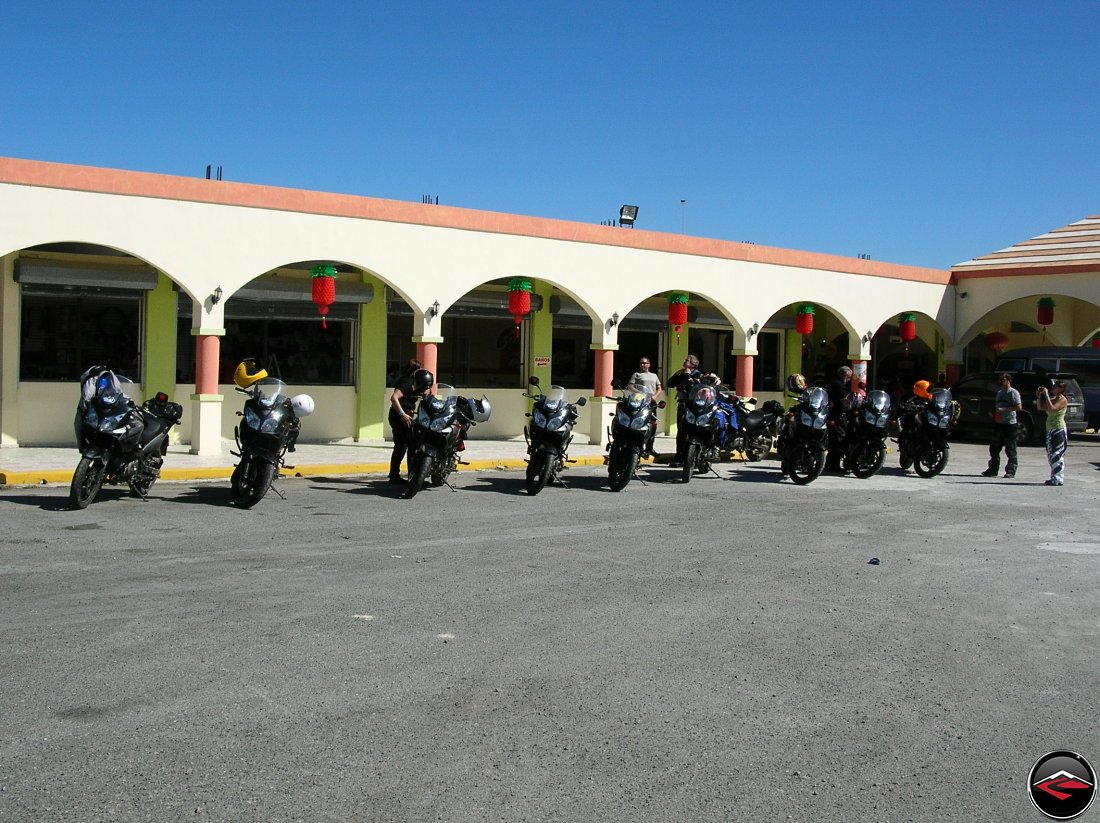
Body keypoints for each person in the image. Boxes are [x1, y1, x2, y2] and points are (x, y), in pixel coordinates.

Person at [387, 368, 433, 484]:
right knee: (408, 446)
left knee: (402, 446)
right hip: (398, 417)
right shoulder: (407, 383)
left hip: (407, 417)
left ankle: (395, 476)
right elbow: (394, 398)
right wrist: (402, 414)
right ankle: (412, 478)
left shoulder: (420, 386)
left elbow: (428, 398)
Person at [981, 373, 1021, 478]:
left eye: (1003, 380)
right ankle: (992, 470)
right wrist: (994, 412)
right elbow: (998, 405)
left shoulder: (1013, 392)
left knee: (1010, 448)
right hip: (999, 423)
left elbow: (1018, 407)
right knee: (994, 448)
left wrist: (1003, 410)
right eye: (1000, 379)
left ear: (1008, 380)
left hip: (1010, 424)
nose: (1001, 381)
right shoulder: (999, 392)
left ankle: (1011, 471)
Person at [668, 355, 702, 463]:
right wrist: (678, 375)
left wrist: (688, 375)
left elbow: (693, 388)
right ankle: (680, 455)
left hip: (694, 406)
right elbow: (670, 384)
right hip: (683, 405)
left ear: (692, 364)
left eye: (686, 360)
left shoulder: (697, 375)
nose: (684, 361)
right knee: (681, 430)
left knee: (693, 430)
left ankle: (694, 455)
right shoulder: (681, 373)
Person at [627, 357, 662, 457]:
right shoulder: (637, 375)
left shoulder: (654, 375)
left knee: (652, 425)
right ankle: (638, 447)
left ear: (649, 364)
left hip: (651, 402)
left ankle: (649, 448)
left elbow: (659, 388)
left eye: (645, 363)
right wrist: (640, 393)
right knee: (640, 424)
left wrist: (654, 396)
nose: (643, 365)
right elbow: (630, 386)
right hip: (640, 401)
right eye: (641, 363)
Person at [1037, 379, 1068, 485]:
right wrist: (1039, 396)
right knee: (1051, 454)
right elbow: (1041, 407)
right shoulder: (1054, 399)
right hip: (1050, 429)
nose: (1053, 388)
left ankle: (1058, 479)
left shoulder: (1063, 400)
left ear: (1061, 389)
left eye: (1056, 387)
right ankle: (1054, 477)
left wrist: (1046, 395)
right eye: (1053, 386)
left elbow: (1052, 408)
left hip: (1058, 429)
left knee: (1057, 454)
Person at [825, 366, 853, 471]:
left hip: (835, 414)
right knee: (838, 439)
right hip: (836, 415)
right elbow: (845, 397)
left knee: (835, 439)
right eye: (849, 377)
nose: (849, 380)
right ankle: (834, 465)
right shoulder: (838, 384)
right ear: (844, 375)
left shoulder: (834, 382)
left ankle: (829, 463)